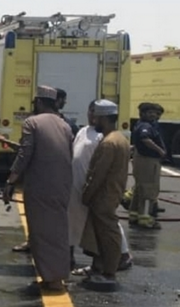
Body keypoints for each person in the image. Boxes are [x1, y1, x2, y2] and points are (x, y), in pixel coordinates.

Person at [4, 85, 73, 293]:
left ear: (40, 102)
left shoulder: (32, 122)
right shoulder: (64, 125)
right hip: (62, 185)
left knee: (40, 232)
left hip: (40, 185)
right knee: (58, 230)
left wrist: (10, 181)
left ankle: (52, 278)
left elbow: (25, 154)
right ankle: (56, 274)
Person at [69, 100, 133, 275]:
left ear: (104, 118)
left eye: (96, 117)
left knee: (108, 236)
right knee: (97, 234)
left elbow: (98, 174)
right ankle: (99, 267)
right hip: (106, 194)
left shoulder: (108, 142)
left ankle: (109, 273)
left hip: (103, 196)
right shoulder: (119, 138)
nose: (93, 120)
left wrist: (87, 194)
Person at [129, 102, 165, 229]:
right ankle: (146, 220)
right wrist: (160, 151)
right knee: (149, 191)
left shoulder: (142, 124)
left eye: (155, 113)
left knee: (139, 190)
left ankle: (134, 216)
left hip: (143, 160)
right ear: (142, 114)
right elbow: (145, 139)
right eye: (150, 113)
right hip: (148, 161)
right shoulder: (145, 126)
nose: (154, 115)